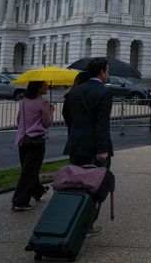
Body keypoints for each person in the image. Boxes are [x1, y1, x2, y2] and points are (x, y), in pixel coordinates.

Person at [62, 57, 112, 236]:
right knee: (95, 186)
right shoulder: (104, 92)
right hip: (95, 147)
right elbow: (102, 124)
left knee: (74, 184)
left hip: (76, 144)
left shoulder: (75, 92)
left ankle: (70, 220)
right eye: (107, 71)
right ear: (101, 72)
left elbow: (70, 119)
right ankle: (87, 224)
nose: (108, 75)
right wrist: (103, 150)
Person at [11, 80, 54, 211]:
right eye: (44, 85)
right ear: (38, 88)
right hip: (36, 140)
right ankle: (20, 201)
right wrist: (51, 111)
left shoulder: (23, 101)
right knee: (30, 171)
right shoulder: (43, 103)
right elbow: (47, 123)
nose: (47, 86)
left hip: (23, 139)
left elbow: (19, 120)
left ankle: (37, 191)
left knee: (28, 168)